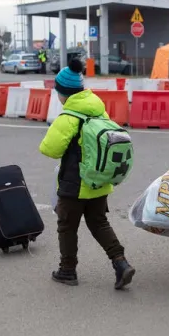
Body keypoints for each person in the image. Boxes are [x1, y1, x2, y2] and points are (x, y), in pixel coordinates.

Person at [39, 58, 135, 290]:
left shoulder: (69, 117)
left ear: (64, 93)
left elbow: (49, 149)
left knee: (67, 227)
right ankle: (120, 263)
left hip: (74, 185)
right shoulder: (98, 111)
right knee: (99, 223)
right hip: (99, 183)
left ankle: (67, 270)